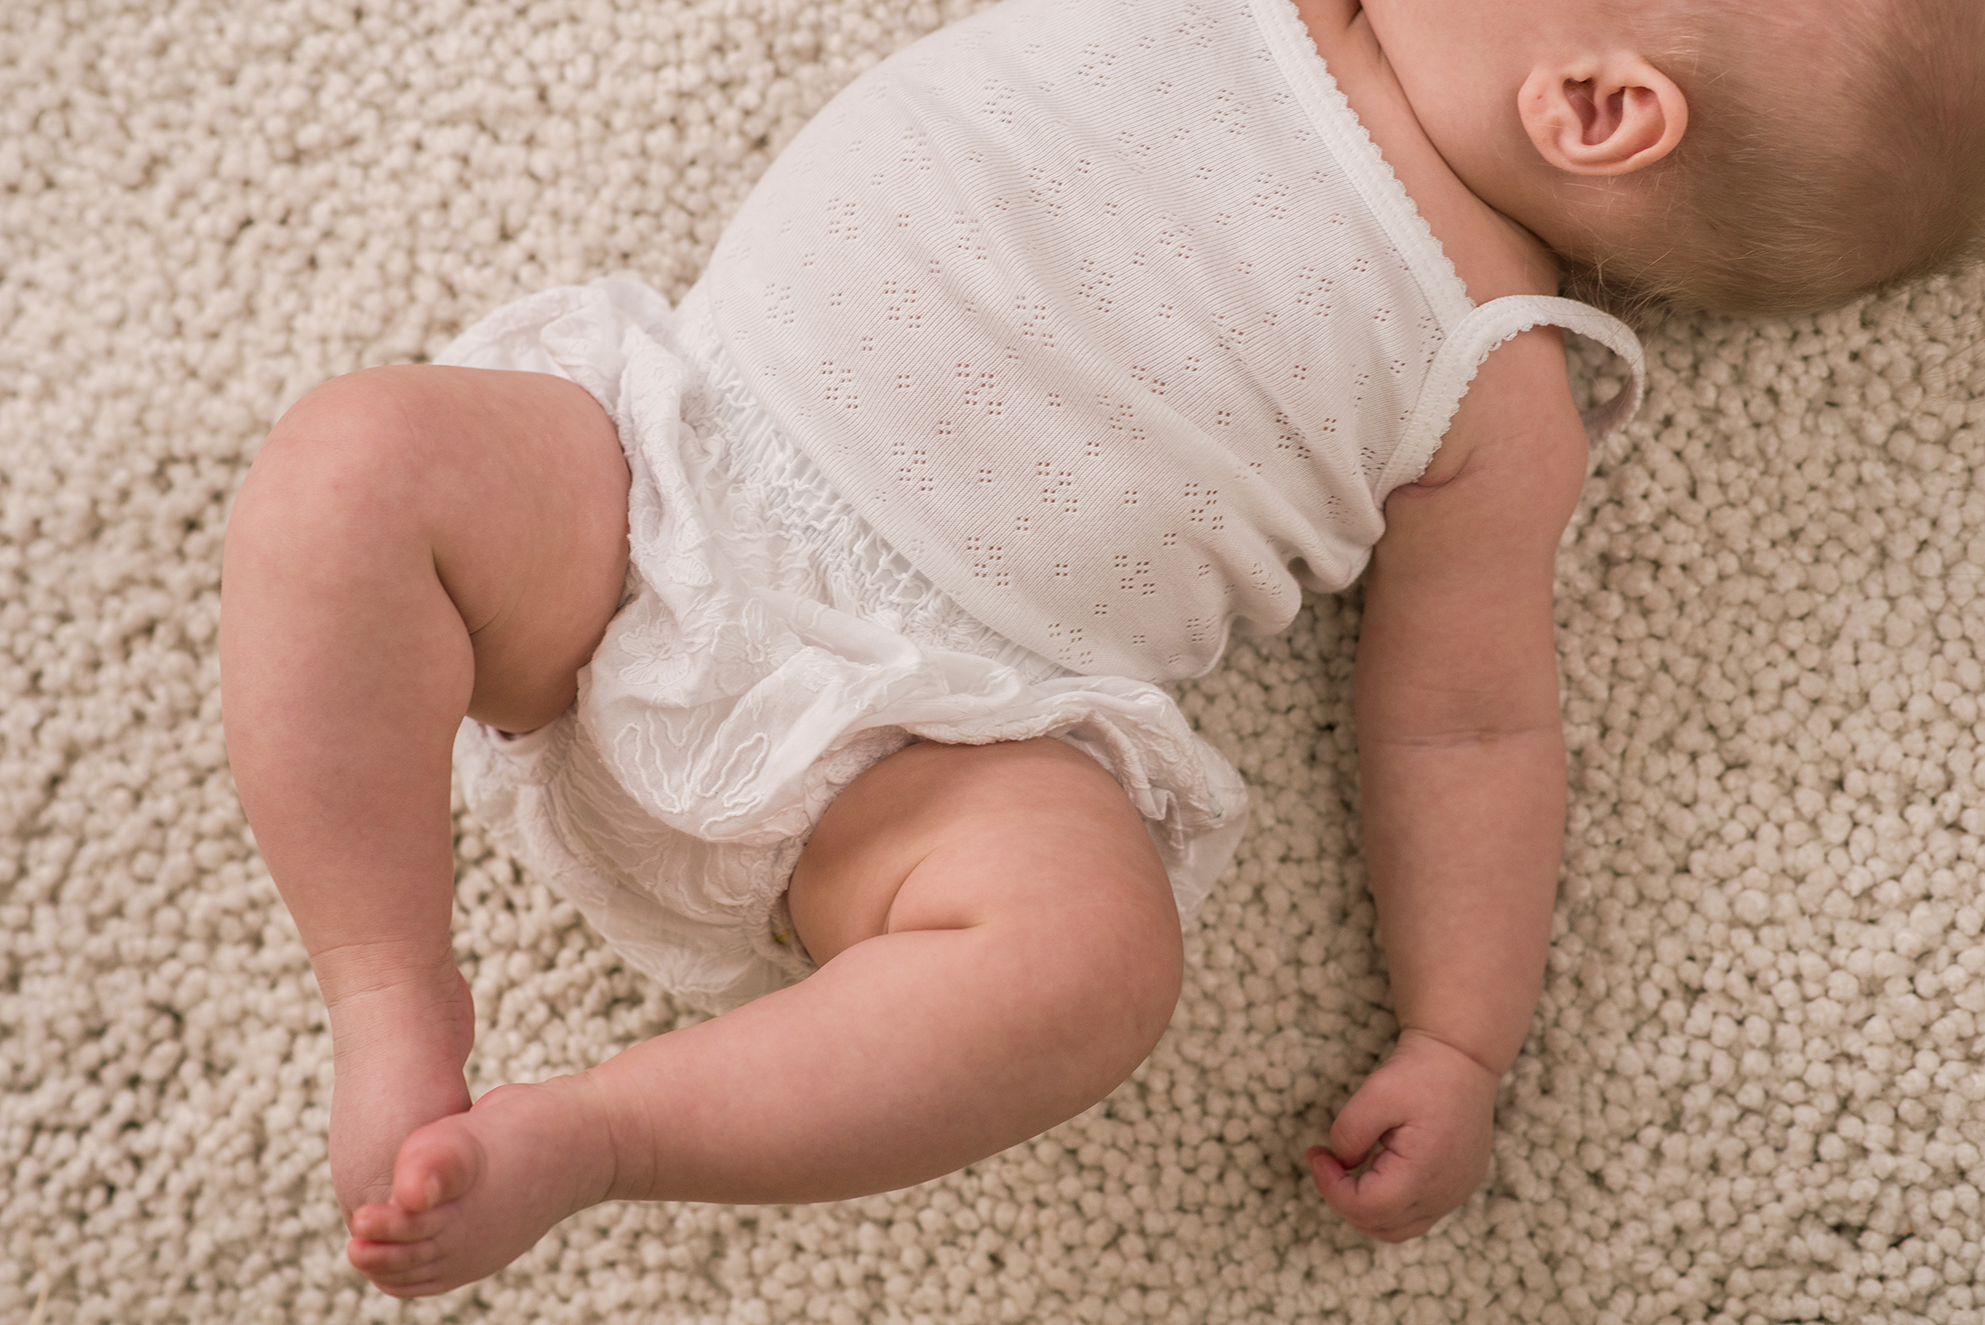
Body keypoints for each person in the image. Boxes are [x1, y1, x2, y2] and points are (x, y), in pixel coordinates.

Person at [217, 0, 1985, 1297]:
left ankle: (607, 1133)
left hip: (923, 742)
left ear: (1597, 107)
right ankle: (389, 983)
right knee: (357, 463)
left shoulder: (1497, 381)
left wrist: (1462, 1034)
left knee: (1093, 961)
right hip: (655, 479)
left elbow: (1468, 728)